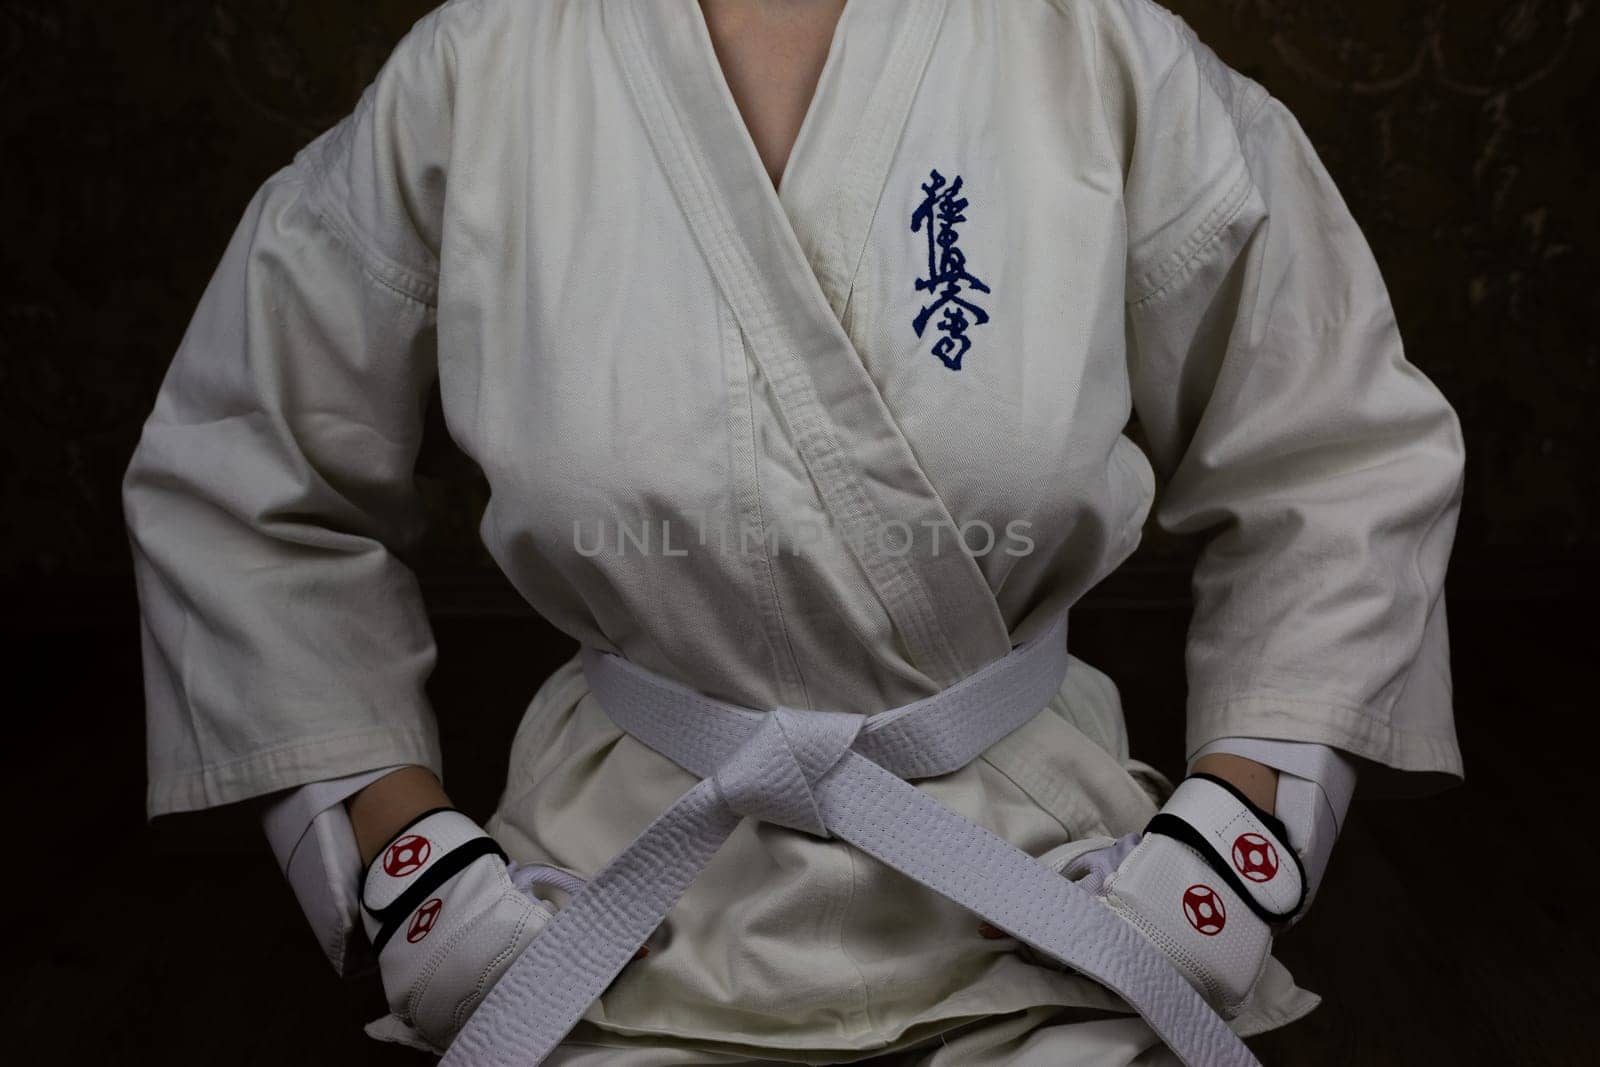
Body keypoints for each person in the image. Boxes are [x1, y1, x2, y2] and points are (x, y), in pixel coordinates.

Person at [121, 0, 1466, 1063]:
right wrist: (414, 883)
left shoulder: (1105, 50)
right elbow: (246, 472)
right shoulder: (485, 65)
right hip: (592, 912)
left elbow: (1338, 451)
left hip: (1061, 895)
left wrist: (1235, 852)